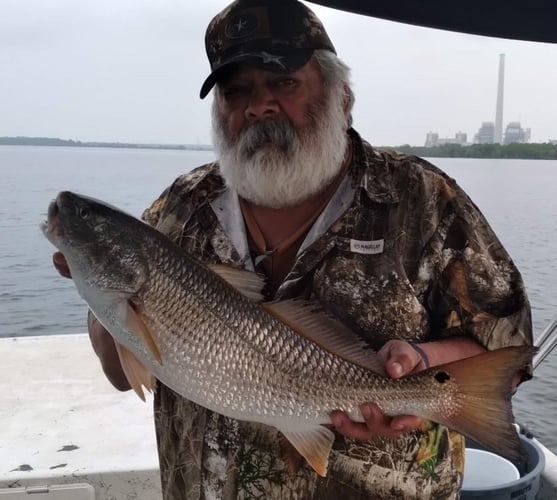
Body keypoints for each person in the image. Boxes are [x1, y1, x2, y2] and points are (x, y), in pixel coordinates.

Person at [53, 0, 533, 498]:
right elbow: (119, 369)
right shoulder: (181, 207)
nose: (258, 106)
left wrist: (419, 361)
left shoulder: (424, 200)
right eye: (236, 91)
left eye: (283, 82)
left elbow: (508, 344)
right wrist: (99, 286)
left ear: (341, 95)